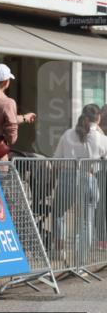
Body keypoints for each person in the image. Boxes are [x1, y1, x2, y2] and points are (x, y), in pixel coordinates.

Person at [52, 105, 107, 261]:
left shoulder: (68, 134)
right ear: (98, 118)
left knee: (59, 215)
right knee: (86, 221)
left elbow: (56, 160)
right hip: (89, 178)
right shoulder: (101, 139)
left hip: (67, 177)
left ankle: (59, 251)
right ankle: (81, 260)